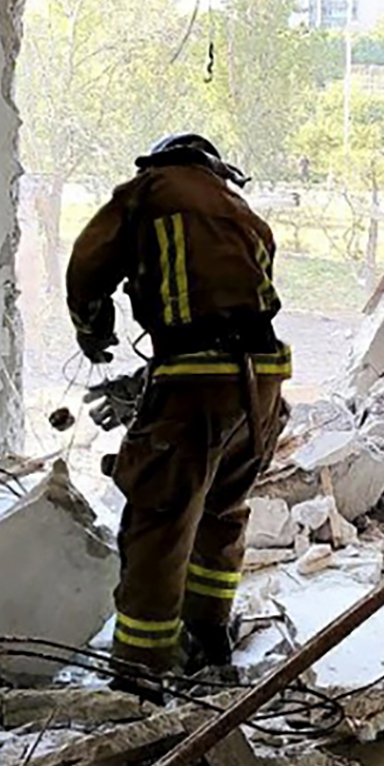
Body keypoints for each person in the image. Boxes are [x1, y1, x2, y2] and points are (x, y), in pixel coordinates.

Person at [64, 133, 291, 693]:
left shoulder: (148, 192)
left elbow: (87, 267)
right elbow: (231, 306)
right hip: (264, 382)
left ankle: (140, 672)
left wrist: (93, 328)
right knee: (222, 508)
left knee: (160, 520)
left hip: (198, 382)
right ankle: (209, 634)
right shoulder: (244, 213)